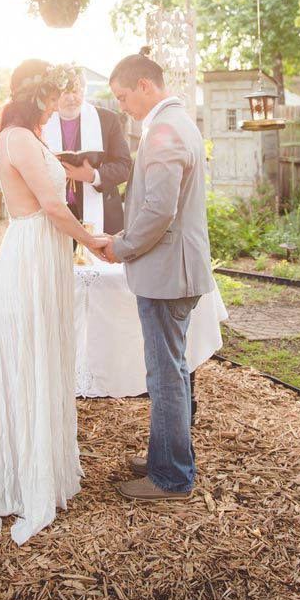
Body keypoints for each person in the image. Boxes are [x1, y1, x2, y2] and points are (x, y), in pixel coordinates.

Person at [0, 59, 106, 545]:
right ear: (37, 95)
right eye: (53, 95)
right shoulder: (18, 138)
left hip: (44, 250)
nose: (59, 103)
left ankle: (45, 465)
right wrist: (90, 240)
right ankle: (24, 474)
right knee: (31, 355)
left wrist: (80, 239)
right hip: (33, 251)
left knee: (45, 352)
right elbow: (52, 205)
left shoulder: (27, 135)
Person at [100, 52, 213, 501]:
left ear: (145, 85)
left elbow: (160, 209)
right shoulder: (174, 122)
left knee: (166, 374)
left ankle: (171, 476)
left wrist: (122, 245)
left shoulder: (165, 129)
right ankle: (168, 454)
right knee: (172, 370)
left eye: (124, 97)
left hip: (169, 273)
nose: (123, 106)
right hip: (173, 270)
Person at [42, 66, 131, 235]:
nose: (71, 98)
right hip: (56, 212)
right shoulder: (42, 121)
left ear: (84, 90)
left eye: (76, 91)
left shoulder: (107, 120)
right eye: (64, 93)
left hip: (102, 212)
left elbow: (125, 165)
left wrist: (93, 176)